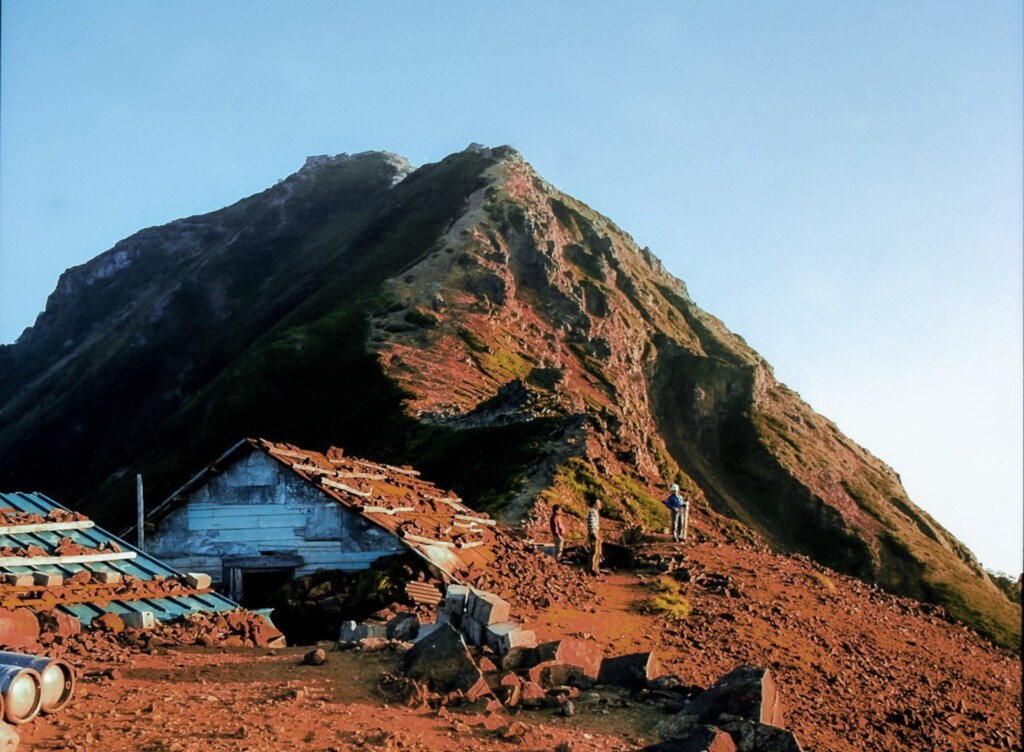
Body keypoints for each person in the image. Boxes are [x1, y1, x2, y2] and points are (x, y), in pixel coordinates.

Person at [586, 498, 602, 575]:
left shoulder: (595, 512)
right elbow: (591, 524)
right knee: (594, 551)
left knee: (597, 551)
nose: (600, 505)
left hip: (595, 532)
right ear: (594, 504)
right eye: (598, 504)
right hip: (593, 533)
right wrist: (594, 534)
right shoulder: (592, 512)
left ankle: (595, 567)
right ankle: (592, 568)